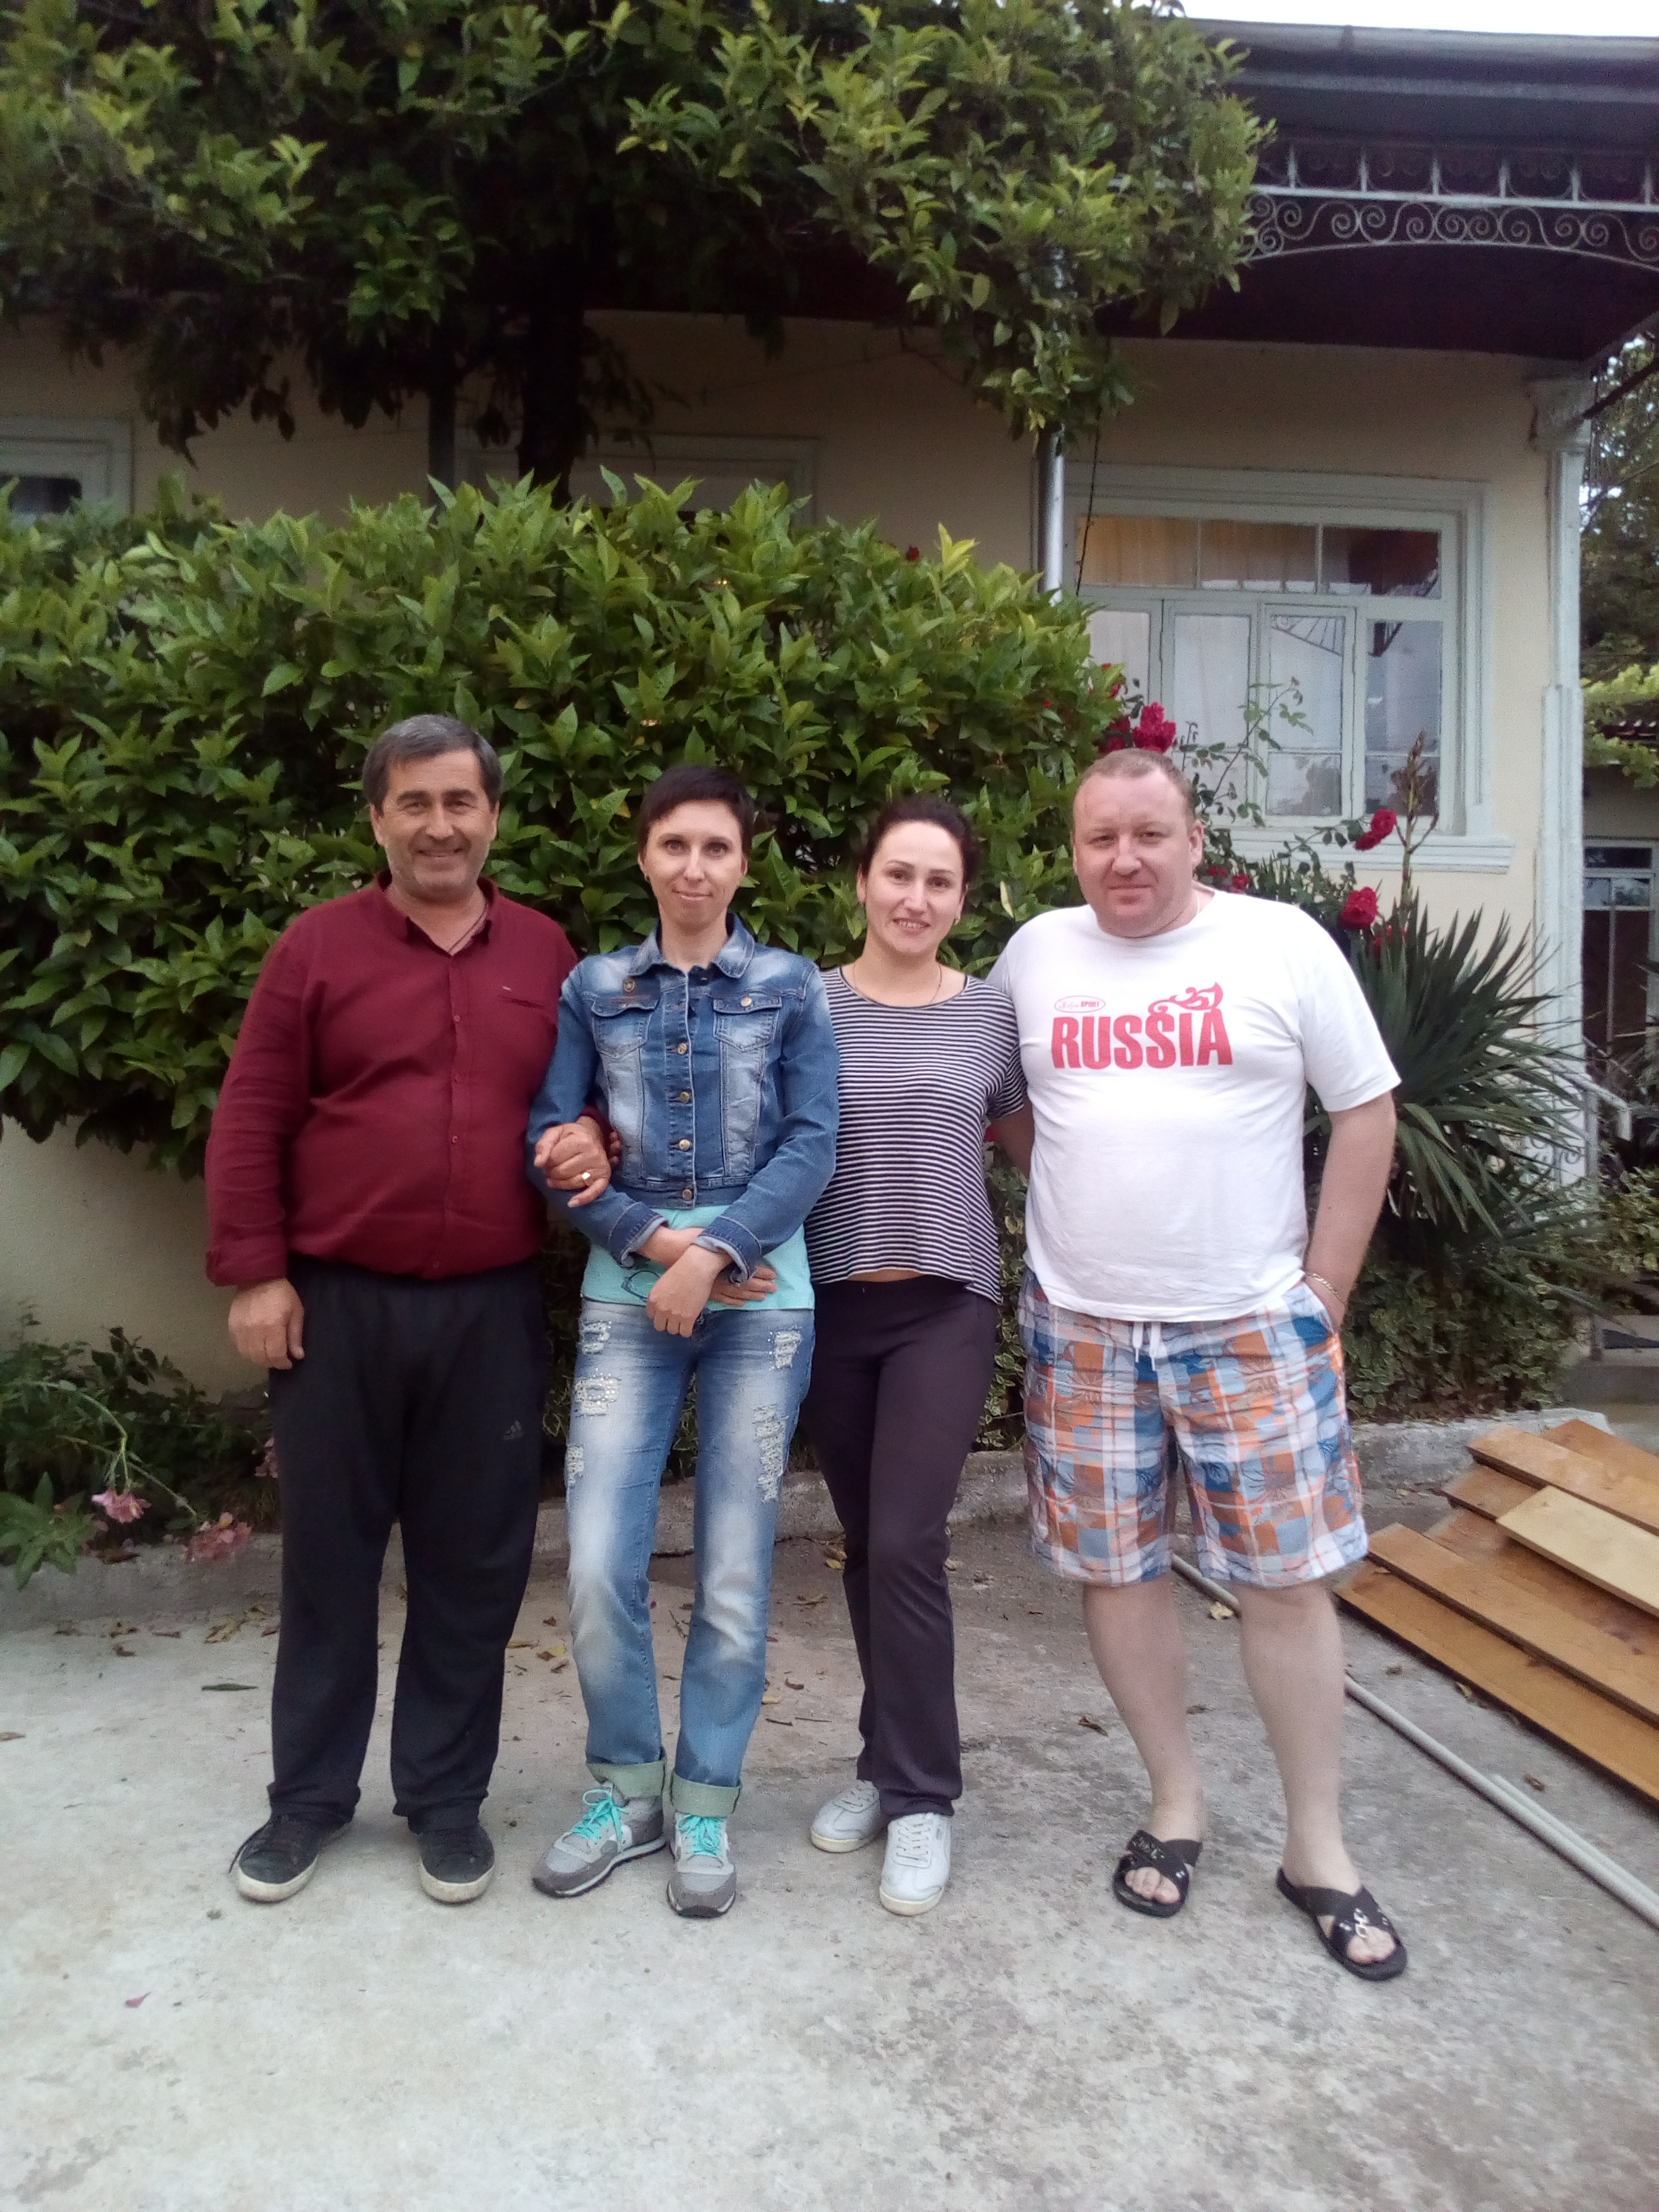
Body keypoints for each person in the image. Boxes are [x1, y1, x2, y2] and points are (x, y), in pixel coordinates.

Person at [990, 747, 1407, 1981]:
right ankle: (1175, 1803)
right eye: (1100, 838)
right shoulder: (1036, 954)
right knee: (1116, 1575)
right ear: (1074, 848)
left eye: (1149, 835)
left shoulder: (1280, 945)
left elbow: (1367, 1109)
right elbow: (1004, 1106)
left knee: (1286, 1584)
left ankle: (1317, 1846)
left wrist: (1326, 1289)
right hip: (1082, 1326)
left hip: (1249, 1326)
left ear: (1193, 839)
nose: (1124, 859)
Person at [207, 714, 610, 1907]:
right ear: (378, 817)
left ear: (493, 817)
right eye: (416, 803)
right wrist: (256, 1271)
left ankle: (443, 1800)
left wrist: (598, 1138)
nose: (441, 825)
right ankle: (307, 1801)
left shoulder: (546, 953)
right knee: (327, 1564)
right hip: (336, 1311)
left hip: (489, 1314)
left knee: (473, 1569)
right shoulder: (316, 949)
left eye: (460, 802)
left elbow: (588, 1099)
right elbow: (251, 1112)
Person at [524, 764, 839, 1919]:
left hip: (764, 1303)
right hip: (628, 1295)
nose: (695, 868)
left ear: (743, 864)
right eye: (675, 846)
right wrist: (655, 1242)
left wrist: (716, 1254)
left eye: (716, 848)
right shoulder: (595, 987)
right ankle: (627, 1792)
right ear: (645, 857)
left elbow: (812, 1143)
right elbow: (552, 1138)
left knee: (736, 1570)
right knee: (599, 1562)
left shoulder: (791, 988)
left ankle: (704, 1799)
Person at [801, 796, 1026, 1916]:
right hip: (829, 1305)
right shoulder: (804, 1002)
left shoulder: (990, 1015)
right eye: (899, 874)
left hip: (945, 1305)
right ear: (862, 880)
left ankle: (925, 1793)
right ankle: (883, 1761)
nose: (916, 898)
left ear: (962, 899)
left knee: (905, 1542)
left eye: (940, 881)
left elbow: (1036, 1147)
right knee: (864, 1545)